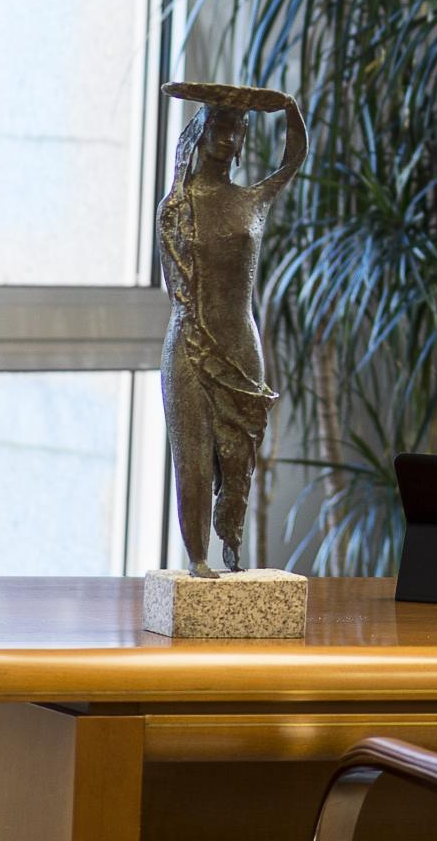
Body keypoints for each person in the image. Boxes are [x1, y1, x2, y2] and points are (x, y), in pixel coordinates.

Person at [157, 82, 307, 578]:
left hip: (242, 343)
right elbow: (177, 285)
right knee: (193, 458)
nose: (229, 138)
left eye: (237, 130)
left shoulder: (254, 200)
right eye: (220, 127)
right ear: (201, 134)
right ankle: (197, 560)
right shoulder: (176, 207)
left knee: (238, 463)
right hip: (190, 340)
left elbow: (293, 159)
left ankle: (229, 549)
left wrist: (287, 108)